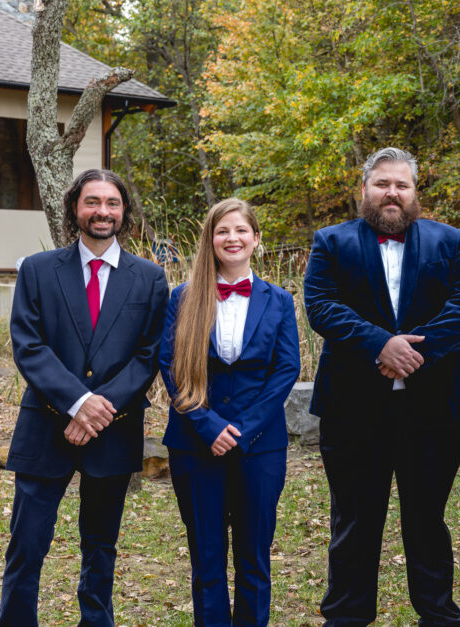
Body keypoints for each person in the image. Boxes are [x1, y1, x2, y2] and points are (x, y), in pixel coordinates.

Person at [303, 147, 460, 626]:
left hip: (433, 407)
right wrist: (382, 345)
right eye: (383, 184)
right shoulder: (331, 241)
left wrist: (412, 354)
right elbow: (321, 305)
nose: (392, 193)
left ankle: (438, 614)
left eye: (401, 185)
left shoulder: (450, 241)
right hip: (353, 407)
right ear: (365, 189)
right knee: (355, 520)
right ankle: (347, 615)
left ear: (414, 192)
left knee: (427, 518)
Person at [0, 169, 169, 627]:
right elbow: (28, 345)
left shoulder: (150, 279)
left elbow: (147, 355)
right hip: (45, 427)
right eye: (92, 201)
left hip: (114, 429)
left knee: (101, 544)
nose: (102, 211)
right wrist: (77, 402)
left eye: (112, 203)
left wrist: (98, 410)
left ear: (124, 212)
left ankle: (96, 621)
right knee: (27, 543)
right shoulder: (37, 270)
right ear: (74, 208)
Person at [159, 198, 301, 626]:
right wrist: (208, 426)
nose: (232, 238)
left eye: (241, 230)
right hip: (194, 444)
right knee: (206, 558)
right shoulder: (183, 298)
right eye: (223, 231)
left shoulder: (279, 300)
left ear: (256, 239)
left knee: (254, 559)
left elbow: (286, 369)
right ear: (211, 240)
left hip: (260, 448)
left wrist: (242, 429)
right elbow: (171, 365)